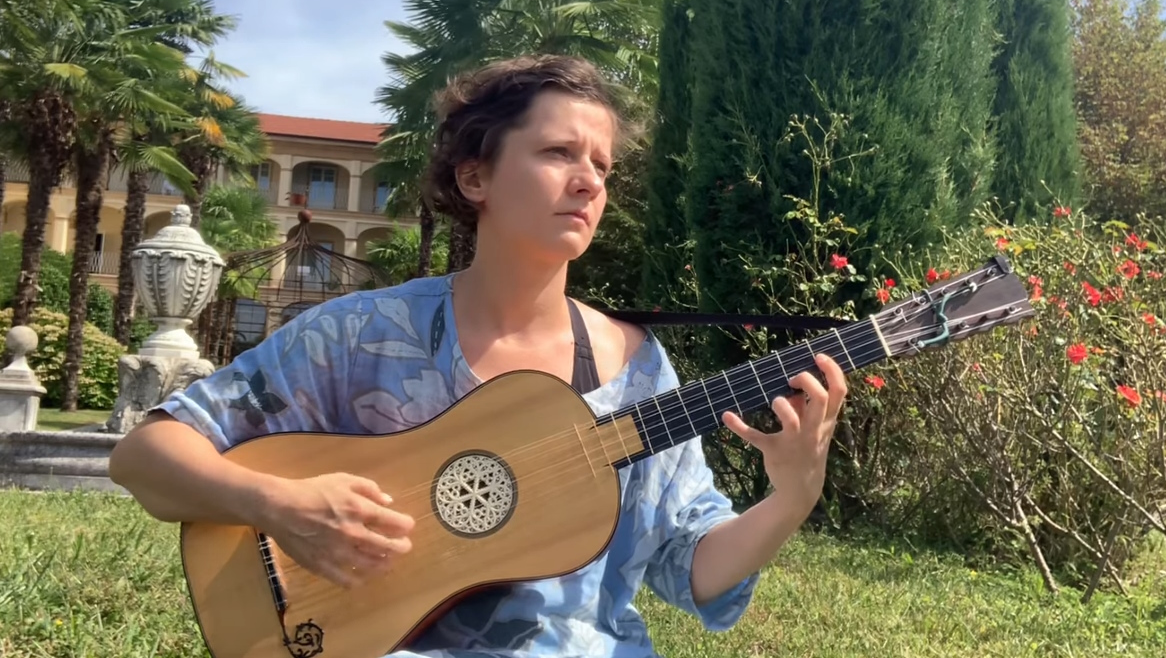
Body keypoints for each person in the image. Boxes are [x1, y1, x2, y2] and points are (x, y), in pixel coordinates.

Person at [108, 54, 848, 658]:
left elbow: (692, 567)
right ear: (475, 176)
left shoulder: (638, 368)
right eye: (558, 153)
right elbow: (146, 456)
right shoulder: (361, 333)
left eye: (602, 165)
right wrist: (279, 504)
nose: (589, 181)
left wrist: (791, 497)